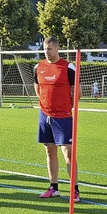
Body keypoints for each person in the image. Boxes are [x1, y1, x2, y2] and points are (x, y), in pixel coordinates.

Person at [33, 36, 80, 203]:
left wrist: (66, 107)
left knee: (67, 152)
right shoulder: (38, 67)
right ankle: (53, 187)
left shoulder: (68, 67)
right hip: (44, 115)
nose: (47, 52)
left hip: (63, 116)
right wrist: (45, 105)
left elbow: (77, 92)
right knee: (49, 150)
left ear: (57, 49)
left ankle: (74, 190)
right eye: (45, 49)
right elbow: (37, 87)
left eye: (50, 49)